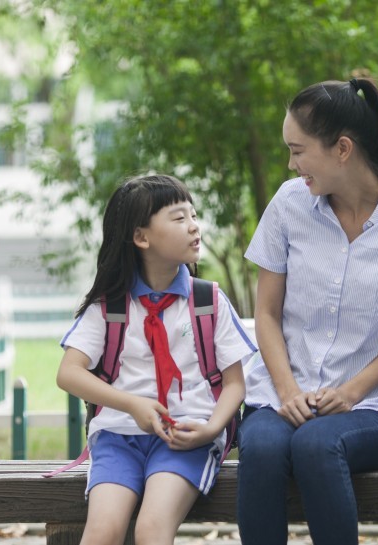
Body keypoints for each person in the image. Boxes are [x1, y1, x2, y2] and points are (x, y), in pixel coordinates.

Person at [237, 78, 378, 545]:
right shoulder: (288, 204)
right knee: (260, 446)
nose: (291, 164)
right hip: (280, 395)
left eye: (298, 151)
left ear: (342, 149)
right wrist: (287, 389)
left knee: (317, 444)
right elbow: (267, 313)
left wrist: (352, 392)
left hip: (369, 410)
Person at [56, 175, 256, 545]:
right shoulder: (111, 304)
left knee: (151, 530)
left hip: (186, 437)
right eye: (179, 218)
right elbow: (68, 373)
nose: (194, 226)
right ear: (141, 237)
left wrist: (212, 430)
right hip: (118, 437)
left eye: (193, 215)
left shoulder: (207, 301)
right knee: (102, 532)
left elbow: (235, 383)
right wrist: (131, 404)